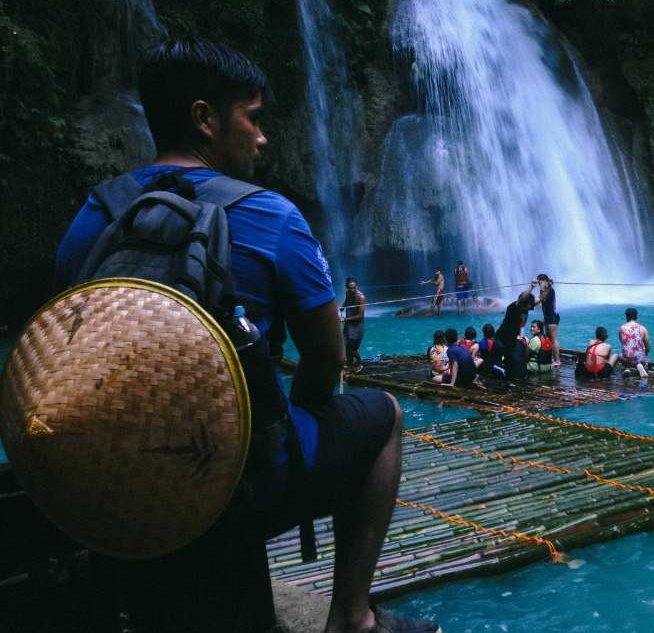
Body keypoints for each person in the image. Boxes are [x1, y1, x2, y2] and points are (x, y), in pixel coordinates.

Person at [52, 39, 436, 633]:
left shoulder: (94, 217)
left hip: (116, 484)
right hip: (238, 482)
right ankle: (353, 618)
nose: (262, 138)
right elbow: (327, 355)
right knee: (382, 415)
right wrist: (294, 426)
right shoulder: (272, 216)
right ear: (205, 119)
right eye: (253, 119)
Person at [495, 290, 535, 379]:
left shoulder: (525, 308)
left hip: (511, 339)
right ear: (524, 302)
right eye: (529, 305)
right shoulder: (514, 307)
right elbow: (522, 300)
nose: (530, 308)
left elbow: (539, 299)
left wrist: (548, 287)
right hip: (503, 337)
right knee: (504, 360)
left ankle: (509, 378)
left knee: (510, 360)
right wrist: (532, 287)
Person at [611, 307, 652, 377]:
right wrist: (646, 353)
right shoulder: (643, 328)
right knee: (642, 354)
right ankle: (641, 366)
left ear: (626, 317)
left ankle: (627, 368)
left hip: (625, 359)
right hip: (638, 358)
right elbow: (648, 347)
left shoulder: (621, 328)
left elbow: (624, 345)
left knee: (621, 353)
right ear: (636, 317)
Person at [534, 274, 560, 372]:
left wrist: (542, 288)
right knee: (548, 339)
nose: (539, 284)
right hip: (547, 317)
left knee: (553, 339)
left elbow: (544, 300)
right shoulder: (545, 290)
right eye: (538, 283)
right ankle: (551, 359)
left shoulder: (550, 290)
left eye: (540, 282)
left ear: (545, 281)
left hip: (553, 316)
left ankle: (557, 360)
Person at [341, 277, 366, 374]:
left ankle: (360, 363)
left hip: (357, 327)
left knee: (353, 349)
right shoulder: (348, 293)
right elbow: (347, 301)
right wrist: (342, 308)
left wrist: (345, 319)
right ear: (346, 287)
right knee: (347, 346)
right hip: (348, 326)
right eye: (350, 288)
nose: (352, 290)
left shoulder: (361, 297)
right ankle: (350, 364)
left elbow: (360, 316)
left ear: (357, 286)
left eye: (354, 288)